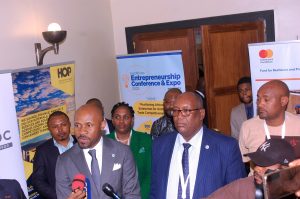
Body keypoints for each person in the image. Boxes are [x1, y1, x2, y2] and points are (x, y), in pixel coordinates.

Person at [150, 92, 246, 199]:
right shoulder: (159, 145)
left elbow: (237, 193)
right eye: (176, 111)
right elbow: (155, 189)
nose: (179, 116)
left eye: (186, 111)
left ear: (201, 114)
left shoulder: (226, 147)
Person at [55, 103, 140, 199]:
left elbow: (132, 195)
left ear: (102, 124)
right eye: (77, 125)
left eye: (88, 125)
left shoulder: (123, 152)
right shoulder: (64, 161)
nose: (82, 131)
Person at [205, 139, 298, 199]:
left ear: (286, 170)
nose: (257, 169)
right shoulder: (244, 185)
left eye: (265, 164)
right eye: (257, 163)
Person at [239, 80, 300, 165]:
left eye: (266, 99)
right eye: (258, 99)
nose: (260, 104)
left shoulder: (298, 124)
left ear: (283, 101)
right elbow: (244, 161)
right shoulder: (247, 127)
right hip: (257, 178)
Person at [107, 102, 151, 199]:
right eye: (117, 117)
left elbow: (150, 174)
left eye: (126, 117)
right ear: (113, 120)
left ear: (132, 120)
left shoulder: (146, 140)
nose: (121, 121)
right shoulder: (104, 142)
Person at [32, 111, 76, 199]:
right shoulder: (42, 151)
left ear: (69, 124)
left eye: (63, 125)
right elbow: (38, 181)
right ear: (49, 129)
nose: (60, 130)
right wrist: (60, 197)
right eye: (55, 127)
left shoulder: (81, 142)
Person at [230, 76, 253, 140]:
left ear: (253, 89)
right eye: (241, 91)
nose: (244, 93)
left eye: (247, 90)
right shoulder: (235, 112)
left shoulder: (261, 108)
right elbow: (235, 136)